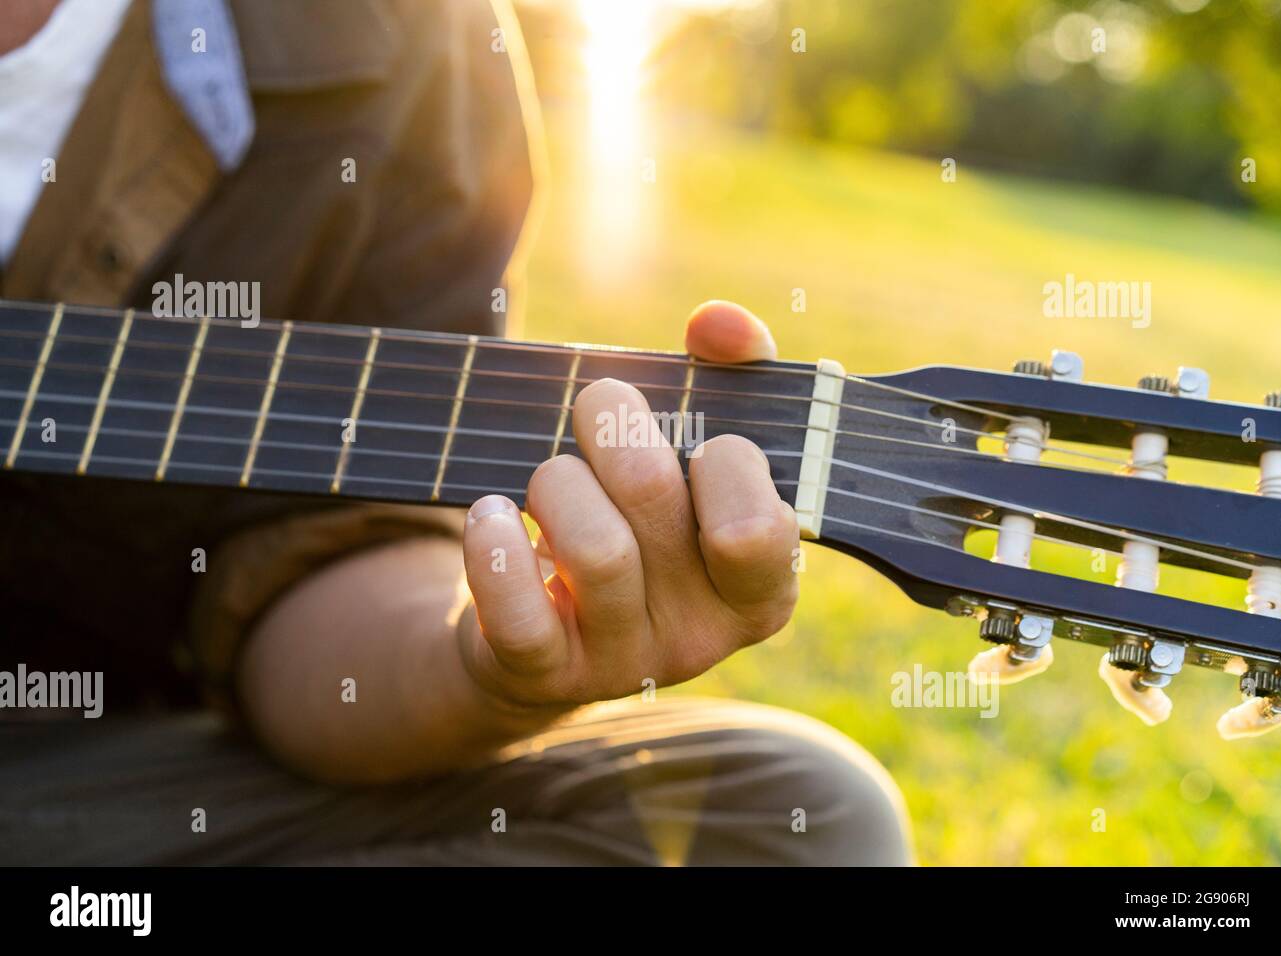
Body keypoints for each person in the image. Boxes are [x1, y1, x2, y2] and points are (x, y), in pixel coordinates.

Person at [0, 0, 912, 865]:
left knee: (793, 816)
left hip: (64, 785)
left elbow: (318, 565)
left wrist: (492, 662)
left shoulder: (413, 36)